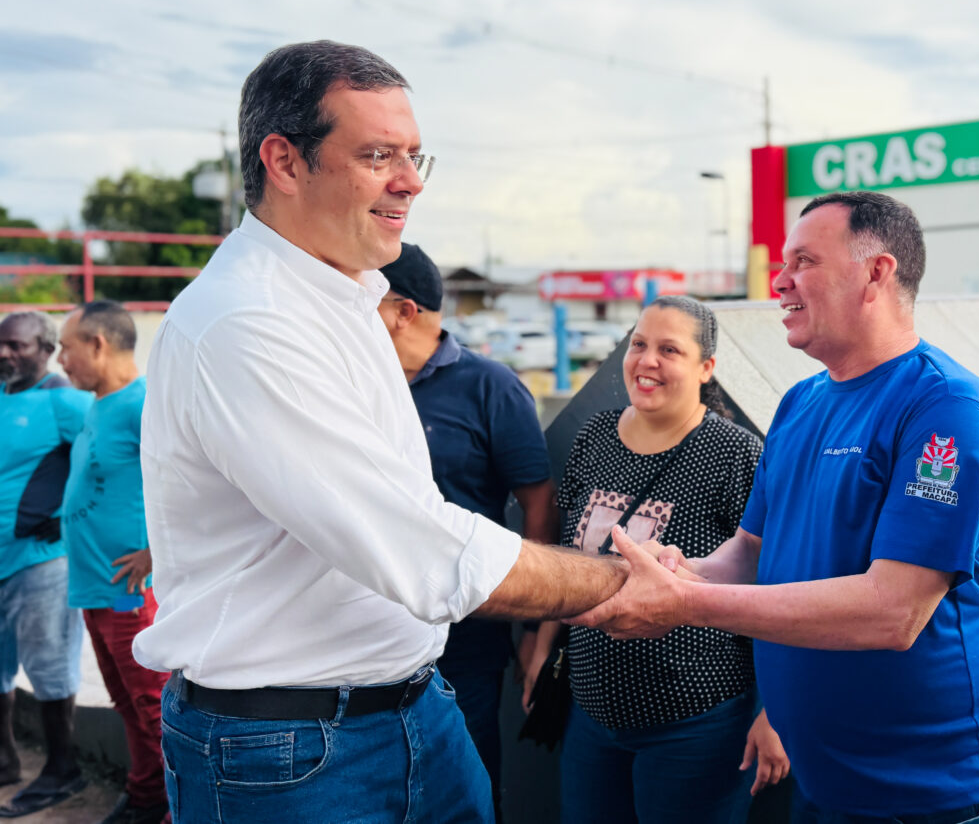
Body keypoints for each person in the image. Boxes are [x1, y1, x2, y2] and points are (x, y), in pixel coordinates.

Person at [136, 40, 627, 824]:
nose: (411, 181)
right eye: (377, 155)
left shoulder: (348, 295)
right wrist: (627, 583)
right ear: (284, 161)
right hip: (289, 753)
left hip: (416, 709)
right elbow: (419, 547)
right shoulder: (244, 322)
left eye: (413, 155)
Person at [572, 193, 979, 823]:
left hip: (938, 793)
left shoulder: (948, 411)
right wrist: (678, 571)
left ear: (876, 273)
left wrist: (686, 603)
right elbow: (751, 553)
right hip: (824, 783)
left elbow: (895, 611)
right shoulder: (801, 403)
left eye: (804, 262)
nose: (780, 281)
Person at [527, 295, 787, 823]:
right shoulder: (595, 436)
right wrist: (542, 647)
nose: (647, 361)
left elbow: (776, 582)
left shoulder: (735, 455)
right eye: (638, 344)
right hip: (591, 711)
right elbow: (565, 553)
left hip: (696, 721)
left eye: (669, 350)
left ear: (706, 368)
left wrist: (776, 711)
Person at [377, 242, 559, 820]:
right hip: (370, 632)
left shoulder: (490, 386)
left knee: (464, 787)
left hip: (466, 633)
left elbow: (538, 503)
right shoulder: (356, 383)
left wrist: (531, 624)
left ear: (402, 311)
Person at [55, 301, 169, 824]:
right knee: (125, 701)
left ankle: (173, 807)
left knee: (152, 704)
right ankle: (145, 796)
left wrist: (156, 550)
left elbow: (189, 479)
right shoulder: (98, 405)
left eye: (66, 348)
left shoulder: (142, 404)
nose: (60, 360)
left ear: (97, 344)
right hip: (93, 584)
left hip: (129, 592)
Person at [0, 311, 88, 817]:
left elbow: (114, 460)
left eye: (17, 345)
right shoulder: (3, 395)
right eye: (1, 344)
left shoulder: (65, 401)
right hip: (3, 559)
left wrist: (68, 518)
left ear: (48, 350)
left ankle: (63, 769)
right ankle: (5, 760)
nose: (5, 353)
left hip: (42, 562)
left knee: (50, 667)